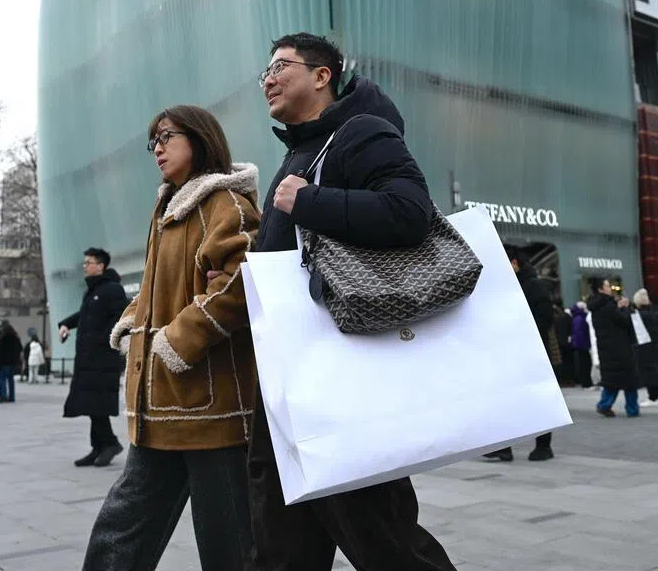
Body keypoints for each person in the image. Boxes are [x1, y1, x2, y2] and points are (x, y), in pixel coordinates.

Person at [247, 32, 456, 570]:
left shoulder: (361, 133)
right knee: (281, 540)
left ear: (323, 76)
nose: (268, 78)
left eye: (280, 66)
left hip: (338, 375)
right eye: (265, 71)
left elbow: (409, 211)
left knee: (381, 536)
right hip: (286, 373)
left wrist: (308, 199)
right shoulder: (300, 150)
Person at [82, 106, 261, 571]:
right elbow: (157, 286)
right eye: (153, 141)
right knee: (119, 532)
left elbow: (242, 283)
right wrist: (132, 322)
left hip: (211, 408)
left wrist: (178, 340)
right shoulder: (169, 206)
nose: (157, 148)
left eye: (166, 136)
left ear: (199, 138)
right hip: (159, 406)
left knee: (228, 544)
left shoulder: (227, 205)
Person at [483, 245, 557, 462]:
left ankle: (544, 446)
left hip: (532, 353)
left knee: (537, 401)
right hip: (510, 352)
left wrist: (522, 333)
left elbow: (545, 319)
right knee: (507, 401)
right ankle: (504, 447)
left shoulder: (533, 286)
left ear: (515, 263)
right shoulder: (508, 285)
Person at [59, 247, 130, 468]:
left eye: (88, 262)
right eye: (85, 262)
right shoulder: (92, 291)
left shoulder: (113, 289)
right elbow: (86, 315)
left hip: (102, 358)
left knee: (95, 403)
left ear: (101, 266)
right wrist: (66, 323)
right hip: (89, 358)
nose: (85, 266)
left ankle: (108, 444)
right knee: (91, 404)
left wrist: (101, 341)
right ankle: (100, 446)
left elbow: (119, 319)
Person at [589, 278, 639, 418]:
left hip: (606, 348)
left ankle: (604, 404)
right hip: (620, 347)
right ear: (600, 289)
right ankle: (632, 409)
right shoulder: (608, 305)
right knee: (629, 380)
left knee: (612, 380)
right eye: (606, 285)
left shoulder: (596, 306)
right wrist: (624, 307)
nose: (610, 287)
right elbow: (624, 321)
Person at [632, 289, 658, 407]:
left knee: (648, 371)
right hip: (653, 344)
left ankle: (653, 397)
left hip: (644, 345)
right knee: (653, 370)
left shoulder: (639, 314)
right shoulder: (653, 312)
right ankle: (654, 396)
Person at [0, 321, 23, 403]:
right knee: (11, 379)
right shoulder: (16, 339)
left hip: (4, 362)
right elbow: (20, 349)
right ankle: (12, 397)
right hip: (13, 362)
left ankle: (3, 396)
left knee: (2, 379)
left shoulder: (3, 339)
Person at [569, 301, 593, 388]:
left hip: (580, 344)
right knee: (585, 364)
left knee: (584, 363)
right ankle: (586, 382)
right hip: (582, 344)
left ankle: (586, 382)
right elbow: (580, 333)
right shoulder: (580, 318)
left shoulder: (577, 317)